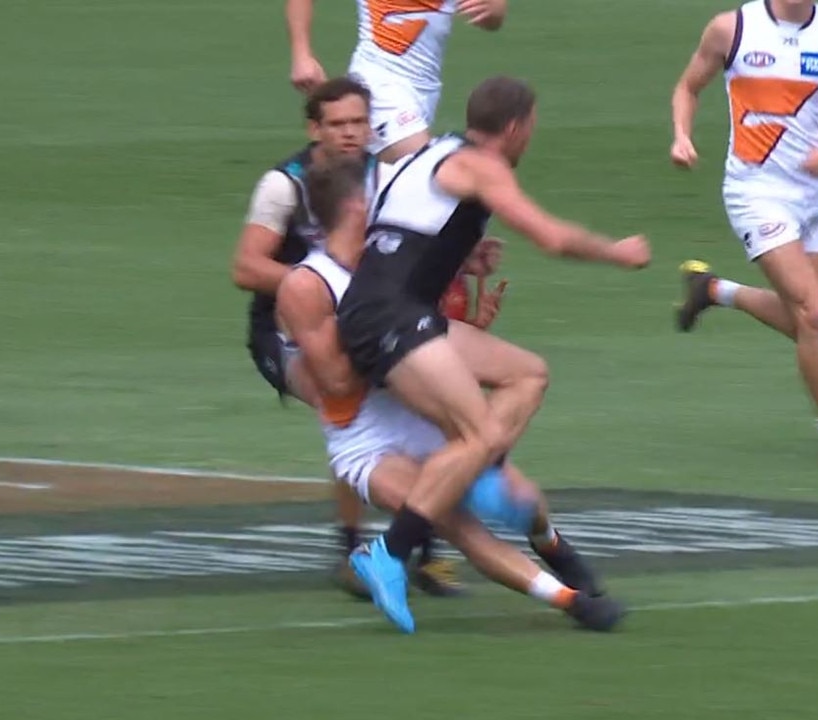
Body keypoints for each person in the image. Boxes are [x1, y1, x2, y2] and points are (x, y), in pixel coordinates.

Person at [335, 76, 650, 633]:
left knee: (527, 374)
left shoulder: (432, 152)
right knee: (479, 435)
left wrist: (463, 255)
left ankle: (475, 475)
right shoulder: (485, 164)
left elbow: (401, 234)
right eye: (531, 129)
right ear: (515, 128)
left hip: (391, 307)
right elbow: (550, 237)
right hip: (389, 316)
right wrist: (616, 252)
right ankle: (391, 551)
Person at [273, 170, 623, 631]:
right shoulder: (308, 285)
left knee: (527, 503)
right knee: (454, 520)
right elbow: (336, 383)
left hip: (424, 416)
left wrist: (461, 296)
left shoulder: (389, 267)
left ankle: (551, 543)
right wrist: (390, 339)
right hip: (368, 441)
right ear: (358, 207)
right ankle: (571, 602)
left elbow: (427, 340)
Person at [228, 76, 463, 598]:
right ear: (315, 129)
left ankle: (422, 546)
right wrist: (319, 284)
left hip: (365, 319)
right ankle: (352, 549)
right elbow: (246, 267)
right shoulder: (285, 185)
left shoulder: (383, 175)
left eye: (360, 122)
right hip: (286, 330)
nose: (352, 133)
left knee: (423, 389)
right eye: (338, 124)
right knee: (346, 400)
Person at [669, 0, 818, 470]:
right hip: (755, 191)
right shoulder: (732, 29)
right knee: (816, 316)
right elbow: (687, 87)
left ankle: (711, 290)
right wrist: (681, 136)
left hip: (812, 195)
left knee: (806, 323)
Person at [285, 0, 507, 165]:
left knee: (386, 195)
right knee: (429, 169)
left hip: (422, 93)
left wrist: (495, 10)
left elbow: (491, 18)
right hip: (379, 84)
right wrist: (301, 53)